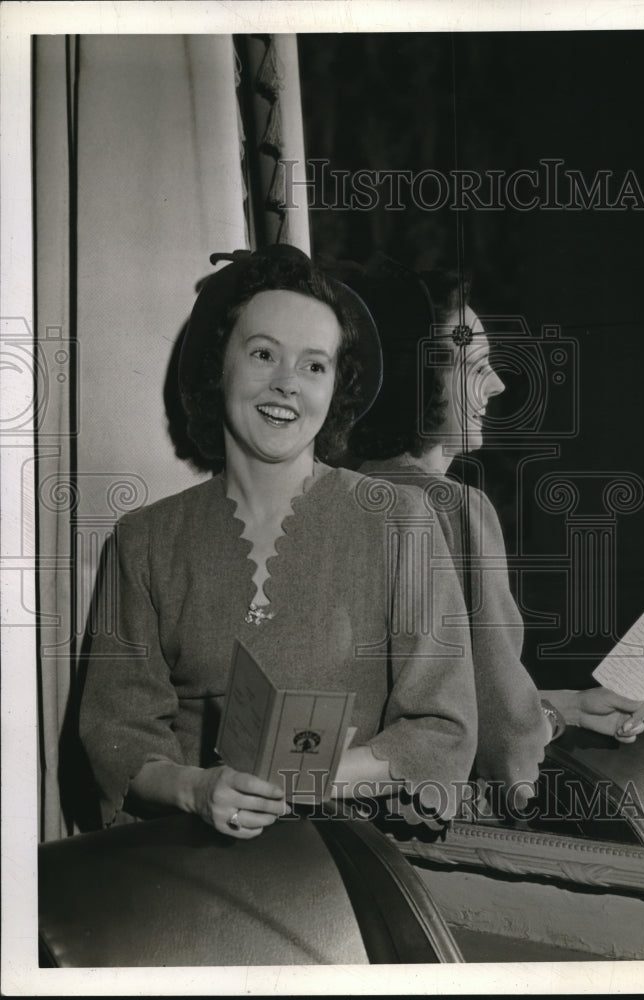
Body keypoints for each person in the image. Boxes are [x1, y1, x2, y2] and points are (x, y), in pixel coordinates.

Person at [79, 245, 480, 838]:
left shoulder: (401, 522)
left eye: (315, 365)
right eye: (264, 354)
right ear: (220, 366)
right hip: (184, 863)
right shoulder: (144, 540)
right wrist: (195, 790)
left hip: (345, 863)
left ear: (337, 387)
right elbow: (120, 738)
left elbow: (441, 728)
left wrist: (300, 782)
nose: (287, 384)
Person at [333, 256, 644, 811]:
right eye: (476, 368)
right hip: (439, 824)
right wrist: (545, 724)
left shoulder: (341, 493)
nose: (498, 385)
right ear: (417, 380)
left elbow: (443, 693)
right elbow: (504, 748)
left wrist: (567, 705)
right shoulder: (454, 508)